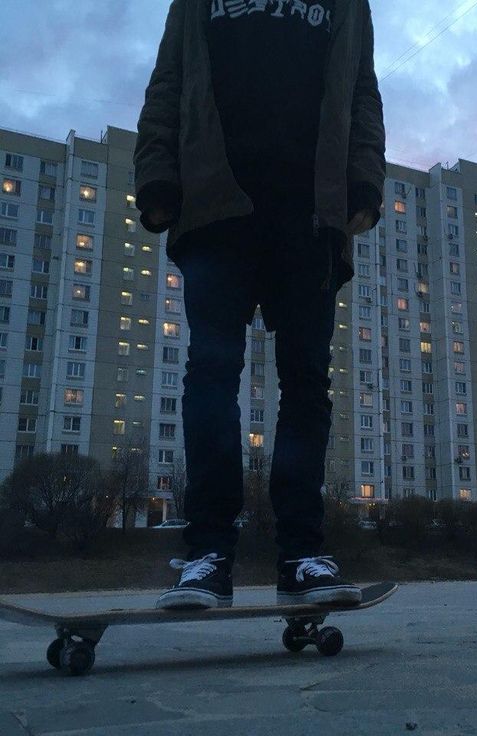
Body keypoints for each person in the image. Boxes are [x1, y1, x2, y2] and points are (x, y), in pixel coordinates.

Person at [133, 0, 386, 610]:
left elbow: (362, 93)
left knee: (306, 382)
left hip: (310, 212)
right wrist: (156, 174)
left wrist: (365, 180)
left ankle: (302, 554)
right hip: (216, 205)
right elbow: (168, 82)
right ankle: (207, 554)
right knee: (211, 372)